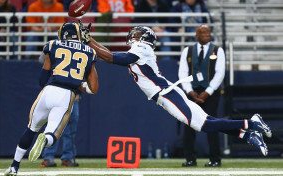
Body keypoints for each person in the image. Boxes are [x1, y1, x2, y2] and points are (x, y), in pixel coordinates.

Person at [81, 24, 272, 159]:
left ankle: (251, 122)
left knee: (203, 125)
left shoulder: (141, 48)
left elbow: (112, 58)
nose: (134, 36)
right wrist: (90, 41)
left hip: (165, 93)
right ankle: (247, 134)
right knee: (208, 122)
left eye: (137, 34)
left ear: (143, 38)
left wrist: (89, 41)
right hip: (167, 93)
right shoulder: (140, 49)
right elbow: (110, 54)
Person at [4, 22, 99, 176]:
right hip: (67, 95)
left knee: (31, 128)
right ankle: (45, 140)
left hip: (48, 91)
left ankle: (14, 166)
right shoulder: (90, 52)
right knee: (52, 133)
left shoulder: (53, 44)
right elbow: (94, 88)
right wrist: (80, 85)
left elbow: (42, 78)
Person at [178, 24, 224, 167]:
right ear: (196, 35)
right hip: (192, 93)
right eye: (203, 33)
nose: (206, 35)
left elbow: (220, 73)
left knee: (212, 125)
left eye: (208, 32)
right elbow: (182, 72)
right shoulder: (188, 50)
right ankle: (190, 159)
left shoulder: (218, 50)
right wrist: (189, 91)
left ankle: (215, 159)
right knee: (189, 126)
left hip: (210, 93)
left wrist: (207, 92)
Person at [40, 92, 80, 167]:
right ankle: (48, 158)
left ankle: (68, 158)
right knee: (53, 128)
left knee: (70, 131)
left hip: (73, 97)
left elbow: (84, 81)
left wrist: (79, 92)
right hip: (56, 97)